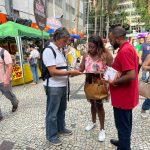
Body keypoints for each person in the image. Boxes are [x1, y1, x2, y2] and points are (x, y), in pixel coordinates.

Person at [42, 27, 81, 146]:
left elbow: (62, 67)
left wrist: (70, 72)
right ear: (57, 39)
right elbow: (53, 71)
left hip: (62, 84)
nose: (67, 43)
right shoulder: (49, 50)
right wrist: (70, 73)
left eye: (67, 40)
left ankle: (61, 128)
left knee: (61, 109)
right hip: (54, 86)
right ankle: (51, 135)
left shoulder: (59, 50)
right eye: (65, 40)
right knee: (52, 112)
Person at [108, 26, 138, 150]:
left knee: (123, 126)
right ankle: (122, 142)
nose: (110, 42)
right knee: (125, 125)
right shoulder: (127, 48)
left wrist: (115, 81)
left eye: (111, 39)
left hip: (123, 98)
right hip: (125, 97)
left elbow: (131, 75)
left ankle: (124, 146)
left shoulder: (125, 51)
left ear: (119, 38)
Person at [79, 35, 113, 142]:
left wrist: (103, 74)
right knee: (92, 103)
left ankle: (102, 129)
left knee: (99, 105)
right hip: (89, 81)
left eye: (92, 47)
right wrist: (72, 72)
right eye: (89, 46)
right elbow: (81, 68)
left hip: (100, 82)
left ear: (98, 46)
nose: (90, 49)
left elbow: (112, 69)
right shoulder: (86, 55)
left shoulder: (105, 55)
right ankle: (93, 122)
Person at [0, 47, 19, 121]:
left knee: (9, 95)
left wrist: (7, 79)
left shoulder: (3, 52)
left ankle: (15, 102)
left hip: (3, 80)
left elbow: (10, 66)